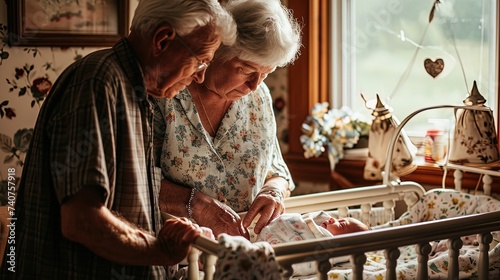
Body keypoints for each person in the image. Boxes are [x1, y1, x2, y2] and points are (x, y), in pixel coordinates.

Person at [0, 0, 236, 279]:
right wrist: (161, 250)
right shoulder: (99, 82)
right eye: (201, 60)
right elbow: (82, 220)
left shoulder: (134, 91)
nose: (200, 76)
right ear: (162, 40)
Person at [154, 0, 302, 239]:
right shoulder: (166, 93)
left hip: (244, 253)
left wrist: (273, 191)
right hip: (178, 253)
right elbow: (135, 179)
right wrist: (196, 204)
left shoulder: (259, 96)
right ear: (217, 51)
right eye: (245, 69)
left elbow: (276, 170)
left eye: (266, 73)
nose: (255, 85)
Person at [254, 212, 370, 244]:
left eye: (341, 224)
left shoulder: (327, 243)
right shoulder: (315, 226)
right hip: (271, 232)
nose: (332, 219)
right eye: (339, 219)